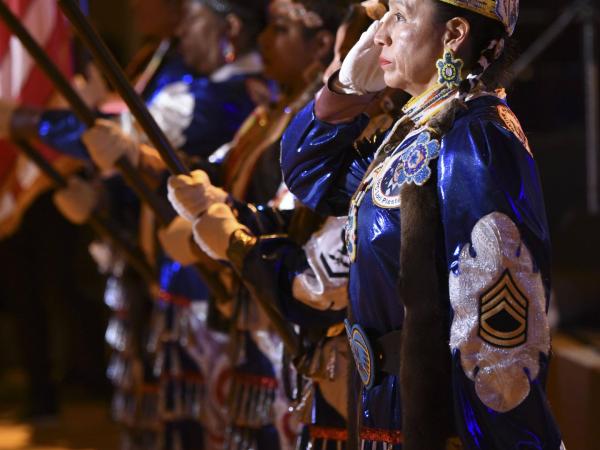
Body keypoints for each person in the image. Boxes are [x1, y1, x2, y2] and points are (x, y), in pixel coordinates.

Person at [279, 0, 565, 449]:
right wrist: (347, 90)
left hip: (433, 427)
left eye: (401, 15)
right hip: (382, 415)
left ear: (453, 34)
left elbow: (497, 343)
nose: (380, 35)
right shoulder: (417, 134)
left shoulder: (476, 140)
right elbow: (310, 175)